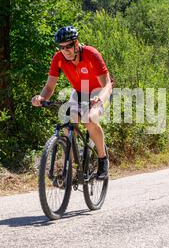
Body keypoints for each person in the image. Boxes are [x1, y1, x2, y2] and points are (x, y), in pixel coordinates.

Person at [31, 26, 113, 179]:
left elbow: (107, 85)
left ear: (76, 43)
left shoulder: (91, 53)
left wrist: (99, 100)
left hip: (99, 91)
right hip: (80, 91)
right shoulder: (58, 58)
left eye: (69, 45)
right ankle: (69, 169)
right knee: (68, 126)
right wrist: (41, 98)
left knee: (90, 119)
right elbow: (49, 87)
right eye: (62, 47)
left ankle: (103, 159)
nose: (65, 50)